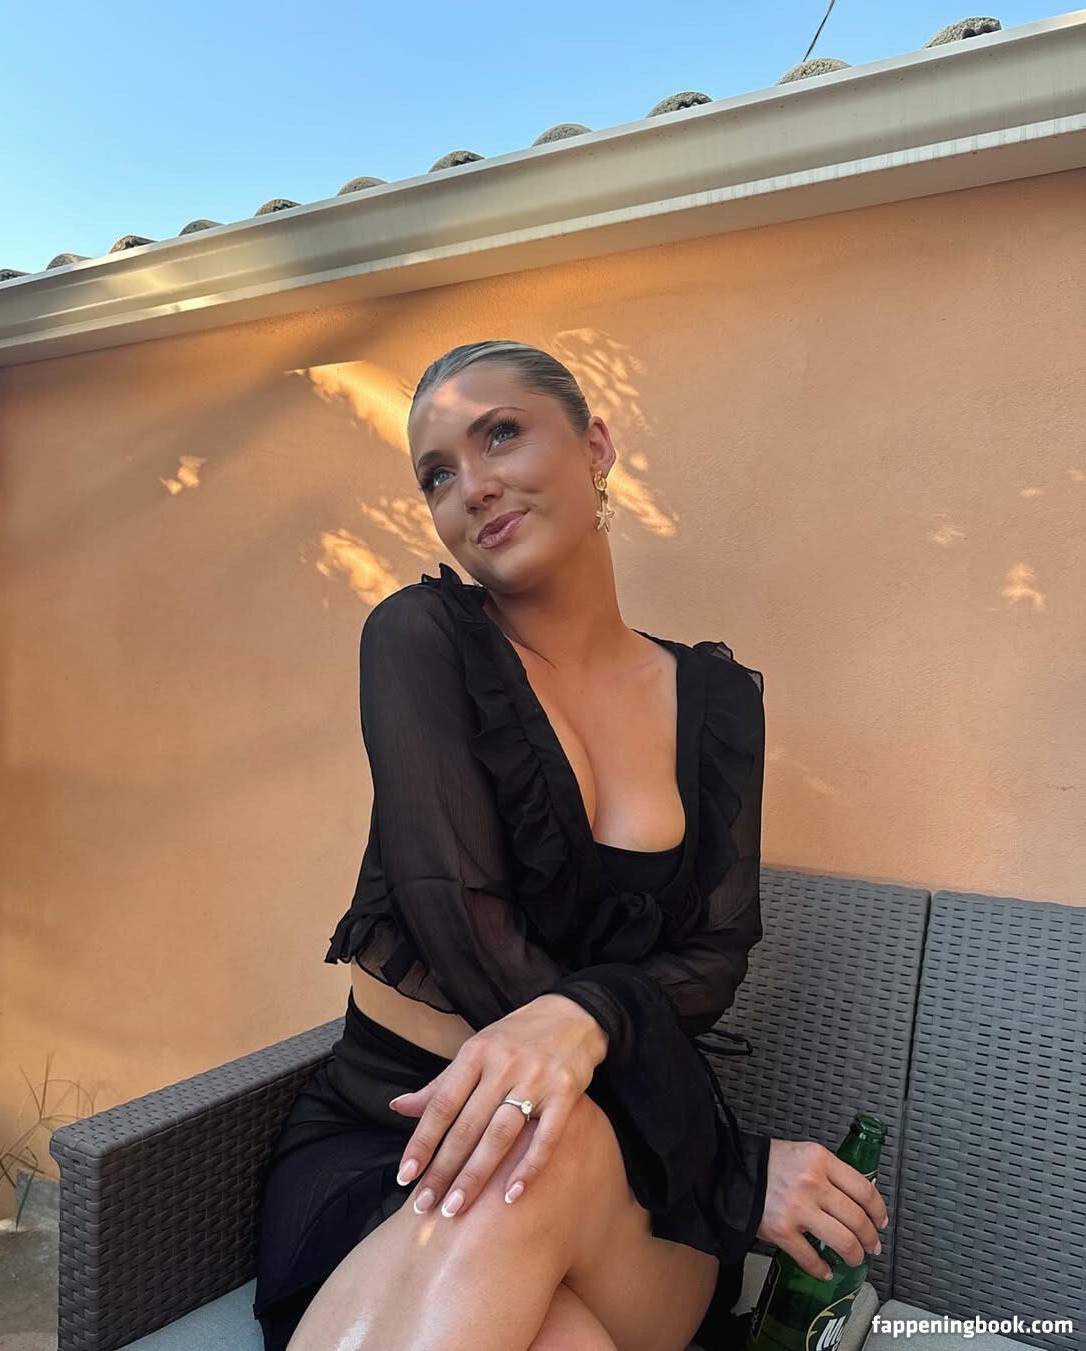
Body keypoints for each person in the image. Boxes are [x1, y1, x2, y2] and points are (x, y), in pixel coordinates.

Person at [252, 340, 889, 1351]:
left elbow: (714, 957)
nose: (471, 487)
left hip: (630, 1173)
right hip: (387, 1146)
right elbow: (464, 930)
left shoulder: (717, 703)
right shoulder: (421, 639)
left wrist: (588, 1021)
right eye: (436, 475)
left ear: (594, 446)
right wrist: (725, 1156)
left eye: (500, 434)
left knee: (537, 1145)